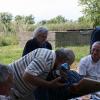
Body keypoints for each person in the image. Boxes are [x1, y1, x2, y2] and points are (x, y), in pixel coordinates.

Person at [7, 48, 75, 100]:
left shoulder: (50, 57)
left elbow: (43, 71)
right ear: (63, 60)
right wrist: (49, 84)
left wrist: (58, 74)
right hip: (9, 87)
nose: (66, 69)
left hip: (22, 91)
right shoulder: (44, 60)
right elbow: (27, 76)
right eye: (67, 66)